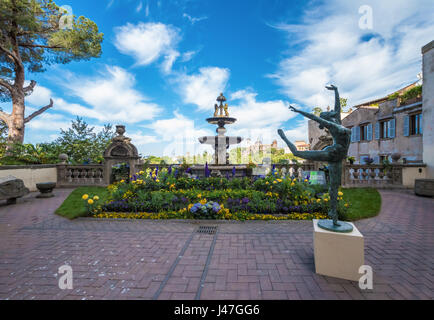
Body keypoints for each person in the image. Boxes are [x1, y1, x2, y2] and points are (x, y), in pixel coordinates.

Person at [278, 85, 351, 226]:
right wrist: (298, 111)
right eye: (325, 114)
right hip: (332, 153)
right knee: (297, 153)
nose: (327, 113)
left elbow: (337, 107)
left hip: (338, 156)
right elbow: (312, 116)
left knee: (334, 187)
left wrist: (336, 91)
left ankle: (334, 214)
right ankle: (284, 137)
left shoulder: (337, 119)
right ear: (326, 119)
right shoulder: (332, 125)